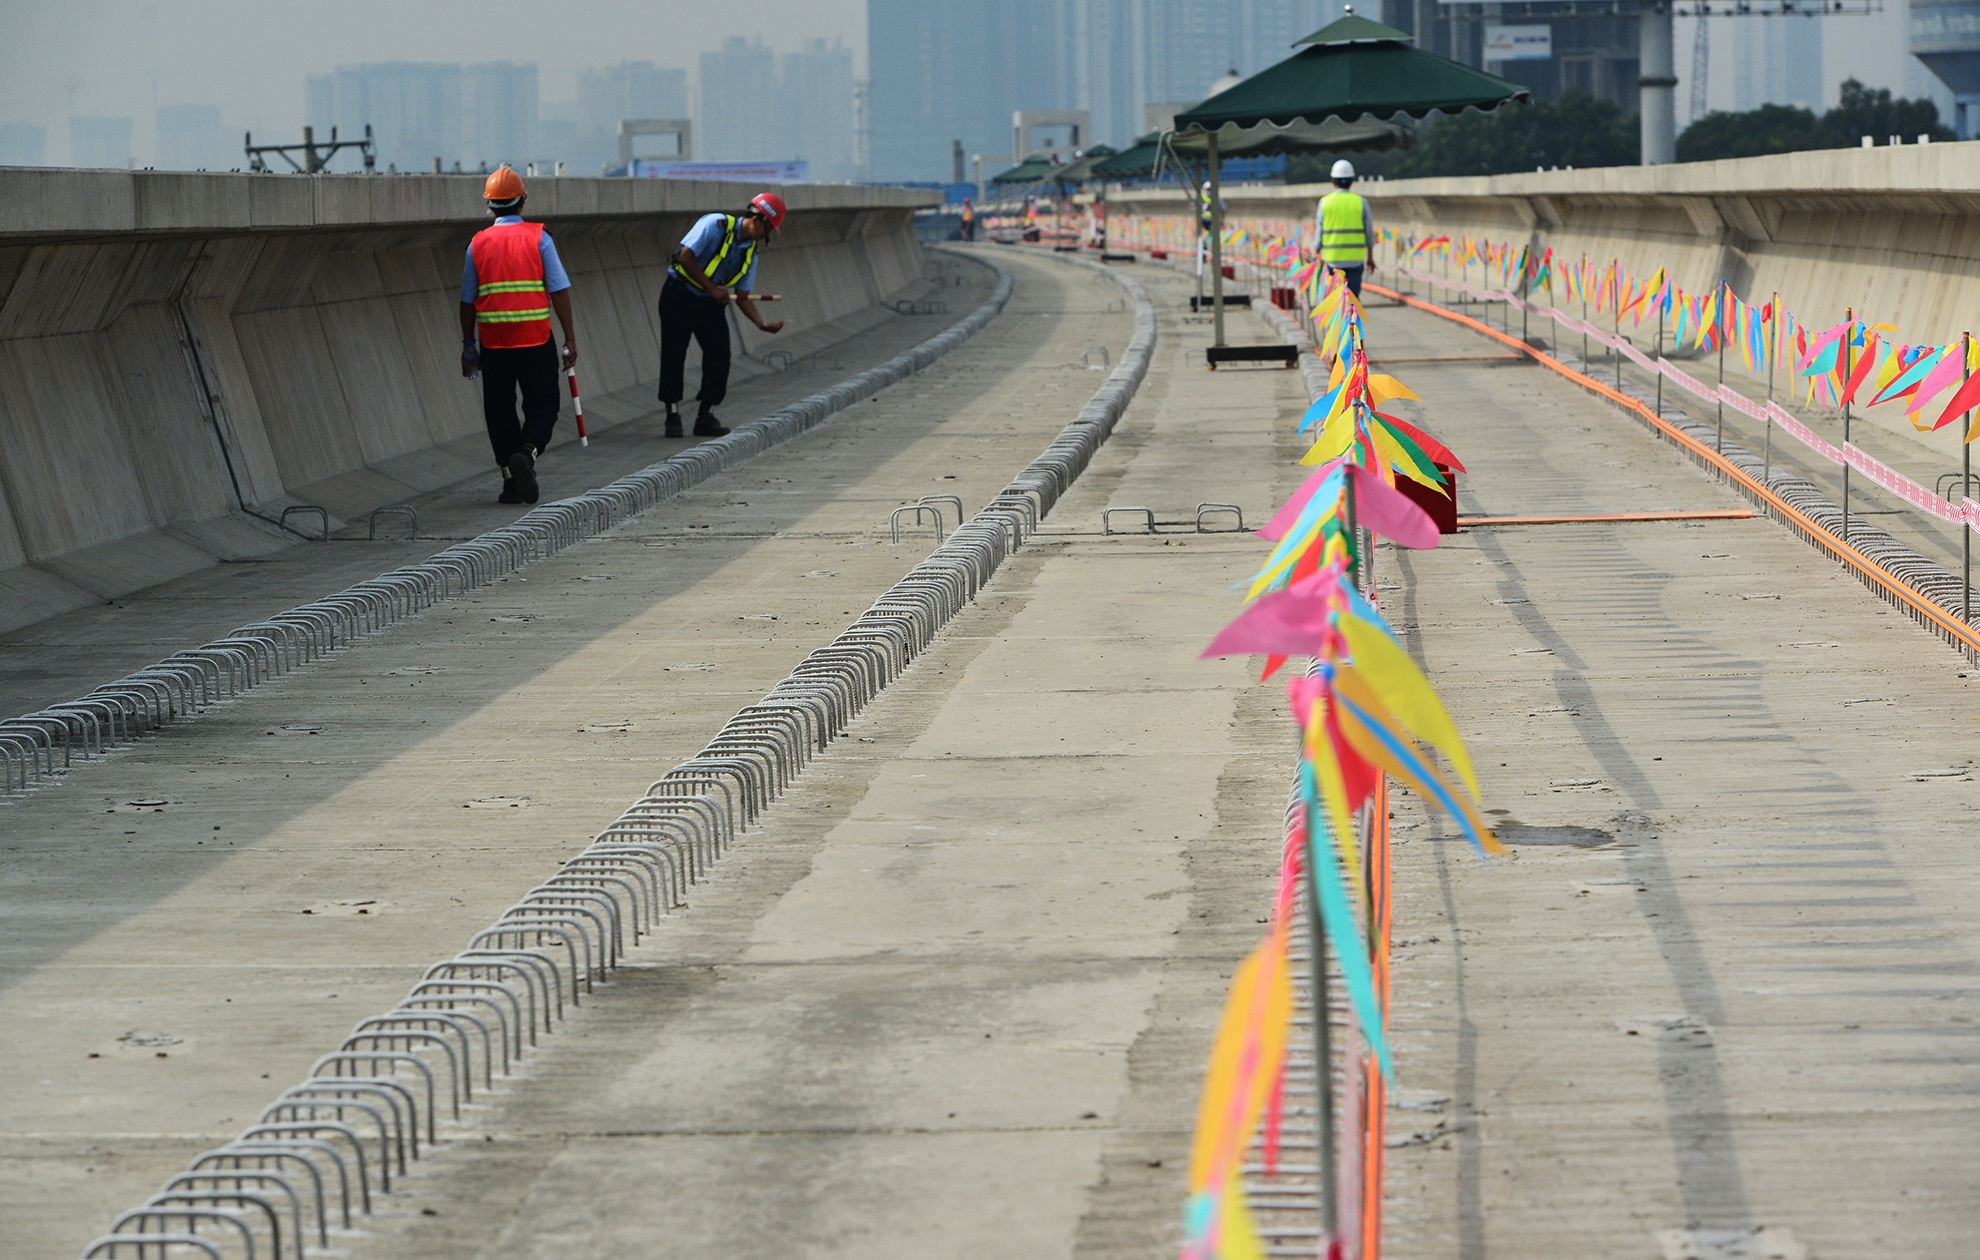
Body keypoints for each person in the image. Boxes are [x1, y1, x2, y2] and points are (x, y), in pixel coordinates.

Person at [459, 165, 576, 505]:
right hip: (535, 338)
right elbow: (559, 291)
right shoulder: (539, 238)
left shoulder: (477, 244)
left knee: (499, 410)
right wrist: (570, 339)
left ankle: (510, 483)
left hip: (494, 342)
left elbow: (467, 301)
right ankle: (527, 452)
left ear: (489, 206)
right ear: (522, 201)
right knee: (544, 405)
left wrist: (469, 345)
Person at [659, 192, 788, 438]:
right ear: (757, 220)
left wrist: (760, 323)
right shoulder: (715, 224)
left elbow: (742, 295)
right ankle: (672, 414)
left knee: (719, 354)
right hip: (679, 294)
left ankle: (705, 415)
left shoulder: (750, 253)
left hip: (710, 302)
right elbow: (685, 258)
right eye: (769, 229)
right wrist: (712, 288)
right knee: (674, 353)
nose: (768, 235)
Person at [1317, 158, 1374, 299]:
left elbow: (1319, 234)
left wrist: (1317, 254)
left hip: (1333, 261)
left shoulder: (1324, 202)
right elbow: (1369, 233)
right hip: (1355, 261)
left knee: (1335, 302)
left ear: (1333, 181)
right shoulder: (1361, 202)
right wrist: (1370, 258)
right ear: (1352, 180)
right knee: (1353, 302)